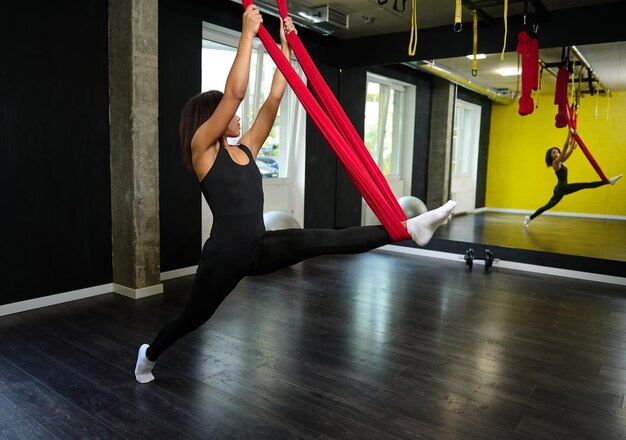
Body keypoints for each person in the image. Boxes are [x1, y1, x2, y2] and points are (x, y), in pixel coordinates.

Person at [135, 5, 457, 383]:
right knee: (192, 319)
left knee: (326, 239)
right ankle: (149, 354)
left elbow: (273, 100)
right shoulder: (202, 149)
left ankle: (408, 227)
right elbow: (235, 94)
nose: (238, 117)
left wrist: (285, 49)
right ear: (213, 116)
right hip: (223, 259)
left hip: (259, 248)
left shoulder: (247, 149)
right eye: (228, 112)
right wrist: (246, 33)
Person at [523, 129, 622, 228]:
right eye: (554, 152)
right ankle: (609, 181)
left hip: (560, 189)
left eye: (557, 152)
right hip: (563, 188)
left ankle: (529, 218)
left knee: (547, 206)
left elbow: (570, 149)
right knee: (585, 185)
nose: (556, 153)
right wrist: (569, 134)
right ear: (551, 157)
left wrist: (575, 136)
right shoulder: (555, 163)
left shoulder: (561, 162)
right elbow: (565, 148)